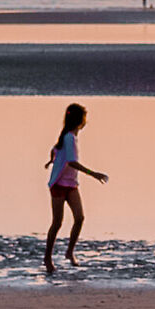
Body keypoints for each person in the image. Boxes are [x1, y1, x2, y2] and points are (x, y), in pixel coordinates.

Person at [43, 102, 109, 273]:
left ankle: (69, 252)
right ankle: (47, 259)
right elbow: (71, 160)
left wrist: (52, 159)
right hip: (58, 185)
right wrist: (92, 173)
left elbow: (55, 149)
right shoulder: (69, 137)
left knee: (79, 218)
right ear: (80, 120)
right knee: (57, 223)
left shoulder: (69, 136)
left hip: (71, 184)